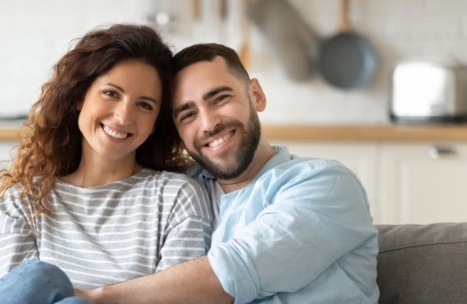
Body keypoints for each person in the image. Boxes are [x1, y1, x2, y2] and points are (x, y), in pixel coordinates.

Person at [76, 43, 380, 303]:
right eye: (188, 114)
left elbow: (232, 273)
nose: (208, 124)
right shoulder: (181, 190)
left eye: (220, 98)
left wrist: (94, 298)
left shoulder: (324, 183)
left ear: (257, 95)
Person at [0, 24, 213, 304]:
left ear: (155, 123)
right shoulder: (23, 200)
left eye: (144, 105)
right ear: (81, 96)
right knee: (39, 278)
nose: (122, 117)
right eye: (111, 93)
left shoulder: (176, 197)